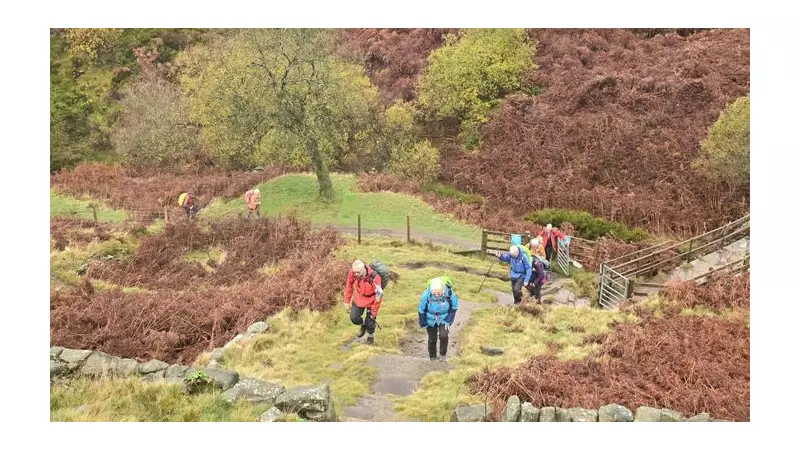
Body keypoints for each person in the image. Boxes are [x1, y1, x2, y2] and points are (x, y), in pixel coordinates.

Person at [418, 277, 459, 362]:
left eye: (439, 293)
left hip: (444, 319)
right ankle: (432, 357)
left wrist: (448, 320)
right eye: (434, 293)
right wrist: (423, 322)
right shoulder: (426, 295)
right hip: (430, 319)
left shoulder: (449, 294)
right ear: (431, 291)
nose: (437, 295)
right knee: (432, 338)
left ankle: (442, 355)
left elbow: (454, 307)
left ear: (443, 290)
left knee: (443, 336)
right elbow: (421, 309)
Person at [344, 260, 384, 345]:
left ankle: (370, 337)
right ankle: (363, 324)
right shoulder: (353, 273)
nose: (356, 275)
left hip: (372, 300)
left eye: (358, 272)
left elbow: (378, 297)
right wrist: (347, 301)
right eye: (354, 272)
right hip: (359, 298)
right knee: (354, 318)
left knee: (371, 321)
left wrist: (373, 312)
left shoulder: (375, 278)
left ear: (363, 269)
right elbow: (349, 285)